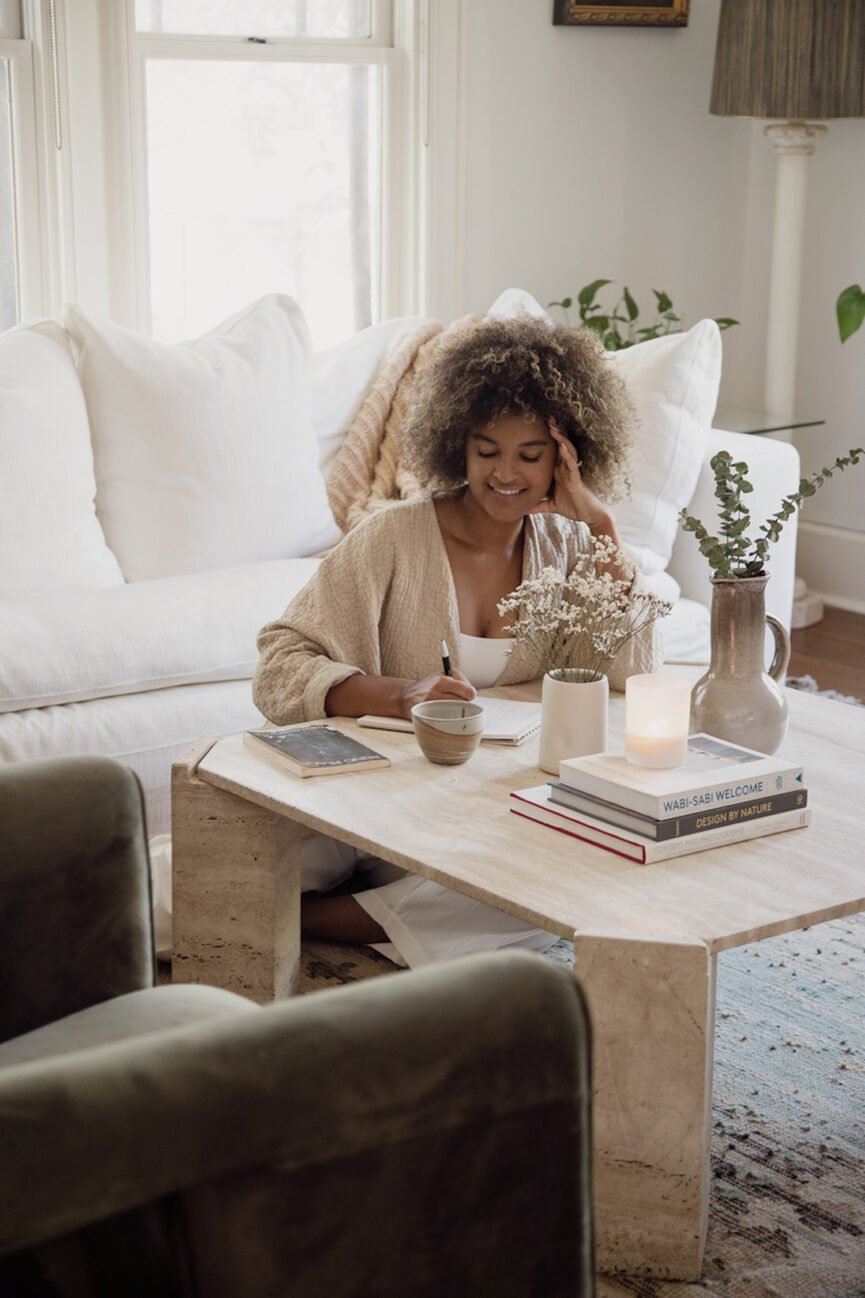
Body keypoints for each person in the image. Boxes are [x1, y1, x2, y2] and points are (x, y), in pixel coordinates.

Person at [253, 313, 661, 967]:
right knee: (209, 863)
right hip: (372, 801)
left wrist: (604, 531)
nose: (506, 473)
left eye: (531, 455)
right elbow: (279, 664)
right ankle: (339, 915)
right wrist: (400, 695)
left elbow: (626, 678)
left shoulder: (569, 547)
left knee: (565, 873)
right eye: (486, 450)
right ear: (456, 447)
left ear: (566, 459)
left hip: (477, 820)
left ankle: (287, 920)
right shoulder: (391, 537)